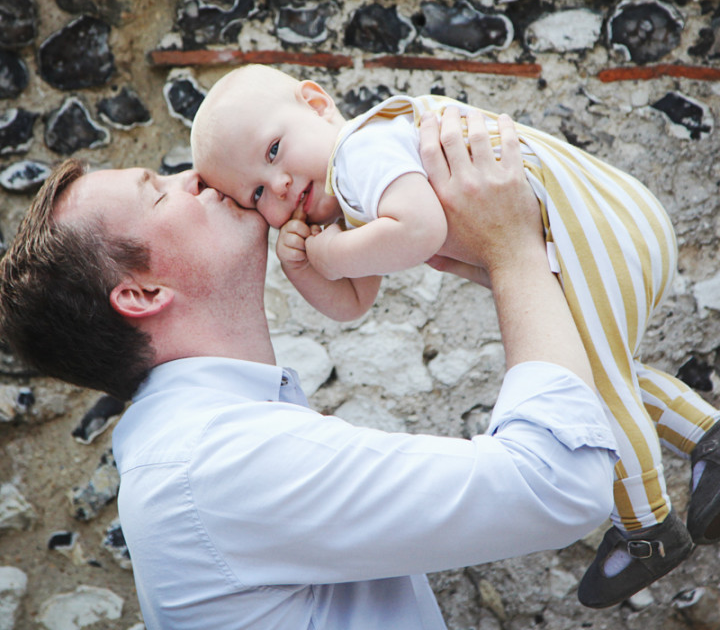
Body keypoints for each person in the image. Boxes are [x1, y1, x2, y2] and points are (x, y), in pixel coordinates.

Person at [0, 111, 618, 629]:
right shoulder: (217, 460)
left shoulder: (215, 440)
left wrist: (499, 263)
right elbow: (558, 484)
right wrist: (513, 250)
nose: (193, 178)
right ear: (141, 294)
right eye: (158, 190)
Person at [190, 64, 720, 608]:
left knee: (599, 391)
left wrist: (328, 253)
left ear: (317, 104)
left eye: (274, 150)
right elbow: (354, 303)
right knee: (602, 369)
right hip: (607, 224)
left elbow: (420, 230)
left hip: (592, 232)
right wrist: (309, 270)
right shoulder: (355, 194)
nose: (276, 185)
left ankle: (647, 527)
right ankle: (707, 436)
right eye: (256, 193)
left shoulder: (359, 151)